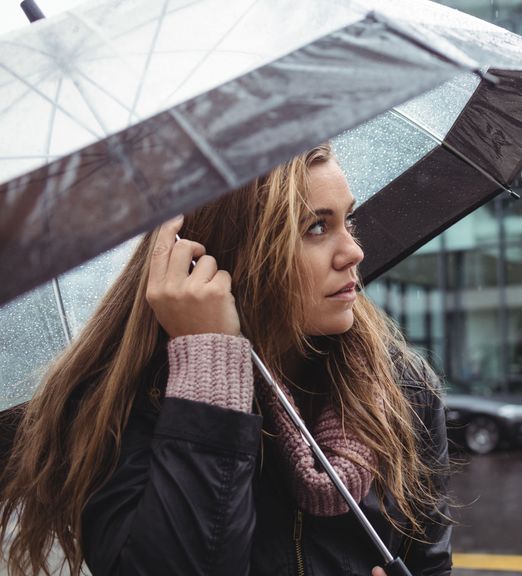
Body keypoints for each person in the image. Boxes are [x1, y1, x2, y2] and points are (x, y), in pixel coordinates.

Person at [0, 144, 452, 575]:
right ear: (229, 255)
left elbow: (430, 565)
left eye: (347, 221)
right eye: (316, 227)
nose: (354, 251)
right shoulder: (121, 408)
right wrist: (208, 366)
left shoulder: (404, 389)